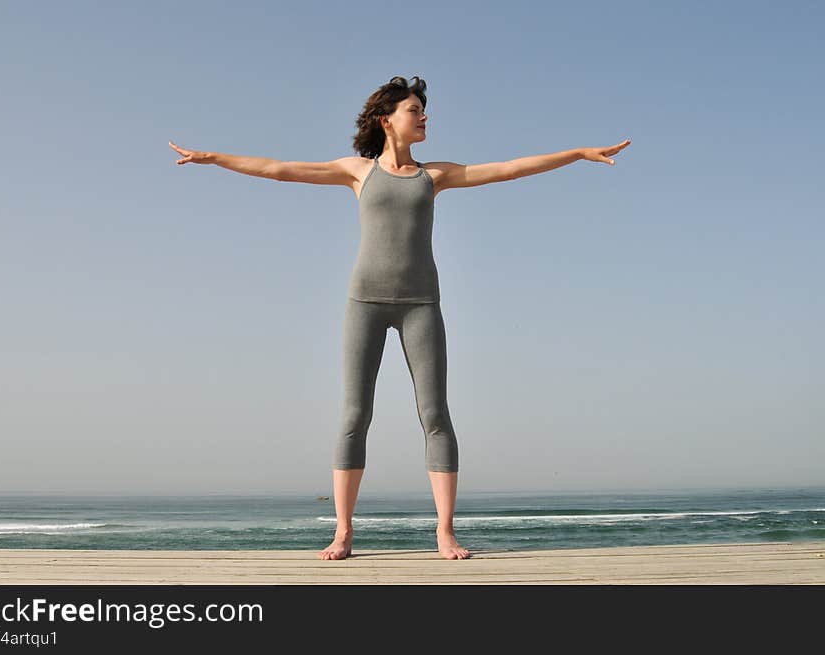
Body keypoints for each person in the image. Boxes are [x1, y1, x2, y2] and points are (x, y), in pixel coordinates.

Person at [169, 75, 631, 560]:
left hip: (420, 305)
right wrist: (214, 158)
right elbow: (278, 168)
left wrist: (578, 152)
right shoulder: (358, 172)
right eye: (416, 109)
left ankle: (445, 531)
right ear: (387, 119)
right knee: (354, 415)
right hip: (364, 303)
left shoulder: (436, 175)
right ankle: (344, 531)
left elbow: (511, 168)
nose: (425, 116)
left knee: (435, 414)